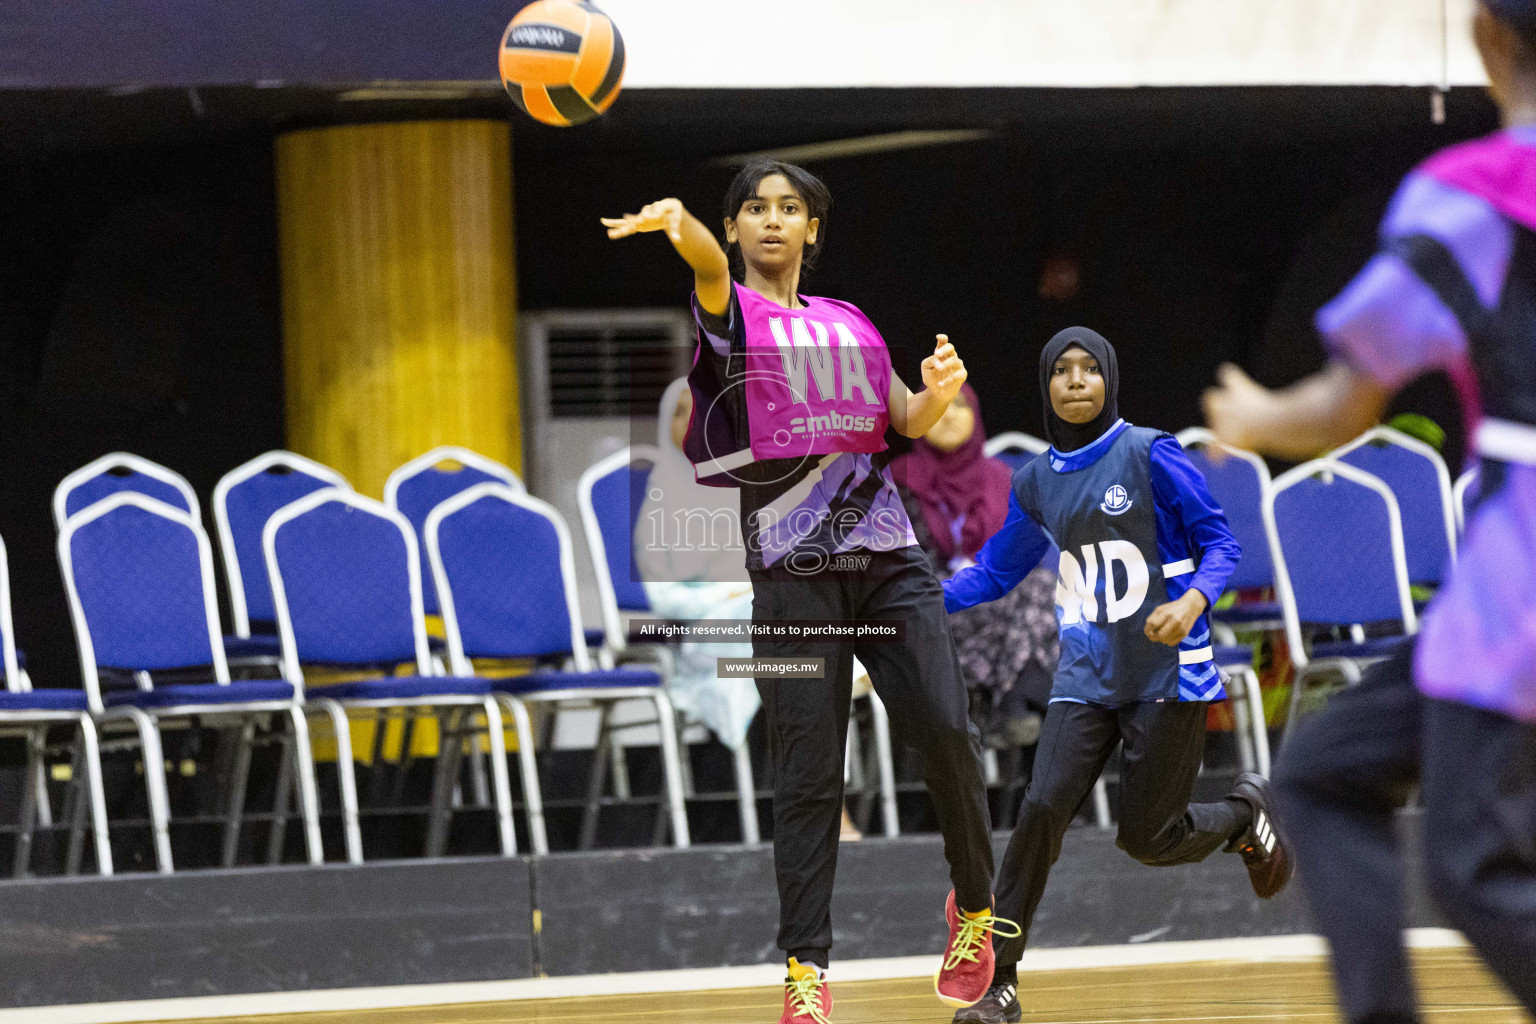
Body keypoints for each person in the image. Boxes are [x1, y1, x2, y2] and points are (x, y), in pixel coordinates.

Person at [604, 161, 1011, 1024]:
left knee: (945, 729)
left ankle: (973, 910)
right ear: (737, 227)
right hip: (793, 576)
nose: (773, 222)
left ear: (813, 230)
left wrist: (932, 399)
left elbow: (898, 419)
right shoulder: (732, 318)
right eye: (755, 209)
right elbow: (707, 269)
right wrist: (680, 225)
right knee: (808, 774)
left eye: (790, 209)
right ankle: (806, 972)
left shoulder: (849, 322)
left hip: (889, 558)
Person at [1202, 2, 1536, 1019]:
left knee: (1473, 860)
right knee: (1322, 769)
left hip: (1521, 564)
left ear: (1486, 36)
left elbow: (1348, 399)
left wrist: (1260, 414)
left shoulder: (1472, 199)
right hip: (1497, 572)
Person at [944, 327, 1293, 1024]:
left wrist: (1192, 601)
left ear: (1108, 379)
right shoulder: (1036, 479)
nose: (1076, 381)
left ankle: (1243, 819)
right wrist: (911, 600)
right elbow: (993, 571)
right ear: (1045, 386)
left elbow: (1220, 543)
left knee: (1148, 838)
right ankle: (999, 984)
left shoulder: (1150, 452)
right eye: (1062, 371)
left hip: (1167, 671)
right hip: (1085, 672)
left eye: (1089, 369)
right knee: (1041, 811)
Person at [891, 385, 1056, 748]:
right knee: (1037, 599)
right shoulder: (900, 481)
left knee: (1044, 586)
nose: (948, 415)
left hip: (1005, 604)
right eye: (935, 406)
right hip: (937, 606)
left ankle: (1015, 705)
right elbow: (907, 573)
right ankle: (1023, 700)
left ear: (976, 415)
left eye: (960, 405)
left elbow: (1027, 553)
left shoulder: (1003, 479)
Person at [636, 377, 760, 753]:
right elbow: (663, 600)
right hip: (704, 639)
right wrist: (732, 594)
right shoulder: (659, 505)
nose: (691, 421)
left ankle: (825, 805)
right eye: (679, 413)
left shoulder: (749, 488)